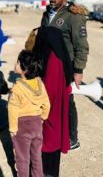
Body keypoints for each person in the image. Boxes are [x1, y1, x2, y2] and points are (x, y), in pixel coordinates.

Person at [39, 0, 89, 150]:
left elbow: (81, 46)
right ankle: (52, 132)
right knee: (48, 100)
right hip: (46, 66)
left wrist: (78, 70)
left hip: (65, 67)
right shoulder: (47, 14)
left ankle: (72, 137)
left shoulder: (73, 17)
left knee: (67, 101)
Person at [33, 25, 73, 177]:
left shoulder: (52, 58)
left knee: (48, 141)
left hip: (50, 108)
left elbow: (48, 90)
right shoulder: (59, 53)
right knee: (54, 139)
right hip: (58, 104)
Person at [8, 50, 50, 177]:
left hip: (22, 126)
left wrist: (13, 128)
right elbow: (46, 104)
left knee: (22, 158)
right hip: (37, 124)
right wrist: (43, 117)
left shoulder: (17, 88)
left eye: (18, 62)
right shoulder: (40, 84)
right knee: (37, 157)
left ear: (24, 69)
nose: (15, 64)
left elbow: (13, 108)